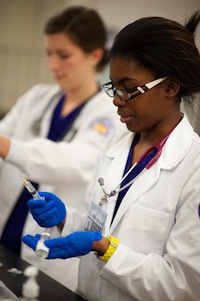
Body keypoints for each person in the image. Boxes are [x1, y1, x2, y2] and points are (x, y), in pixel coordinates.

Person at [22, 11, 200, 301]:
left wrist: (105, 249)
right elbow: (100, 226)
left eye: (129, 90)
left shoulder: (194, 168)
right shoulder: (118, 145)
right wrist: (66, 218)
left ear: (170, 86)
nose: (117, 100)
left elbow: (184, 285)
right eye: (114, 87)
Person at [0, 6, 124, 291]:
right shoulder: (37, 98)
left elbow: (75, 163)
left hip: (50, 259)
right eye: (49, 54)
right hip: (7, 233)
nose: (54, 64)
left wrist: (7, 146)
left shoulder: (108, 115)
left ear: (94, 55)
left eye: (64, 55)